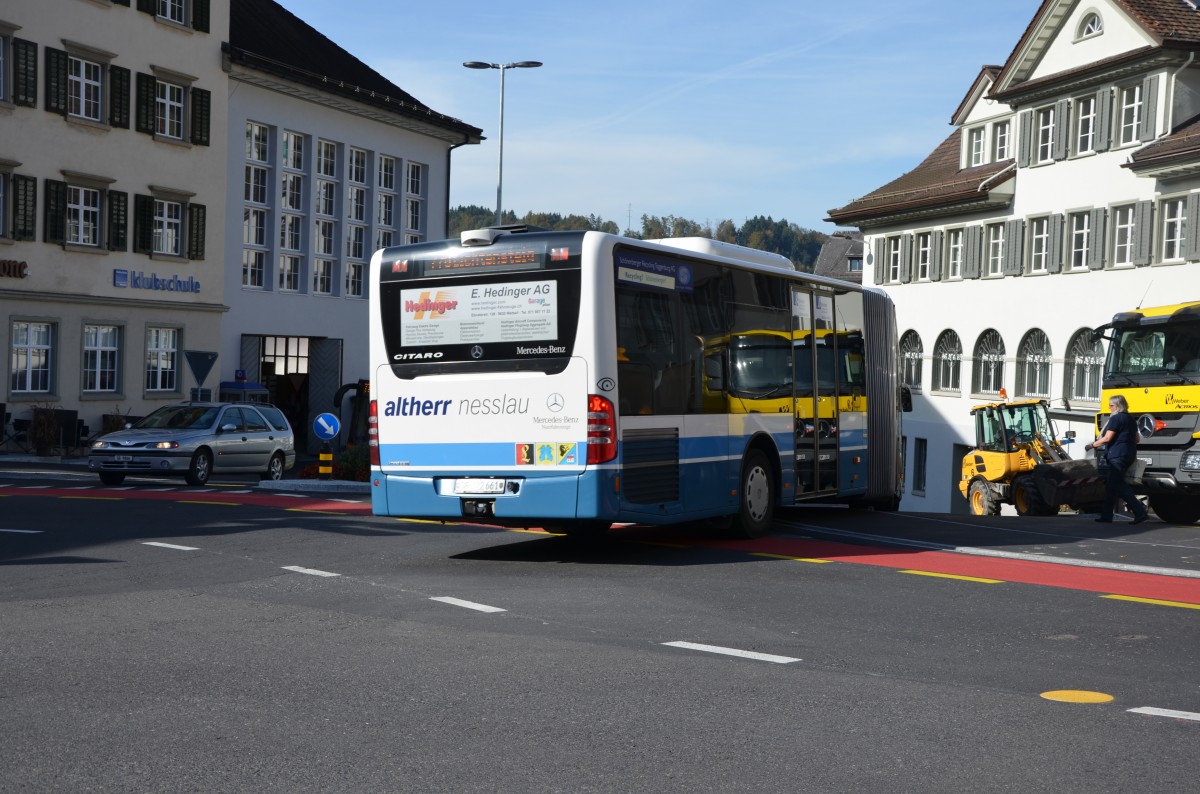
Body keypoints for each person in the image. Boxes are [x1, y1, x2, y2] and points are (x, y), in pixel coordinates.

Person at [1085, 394, 1149, 524]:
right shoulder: (1130, 419)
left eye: (1111, 405)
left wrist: (1092, 445)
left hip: (1117, 456)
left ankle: (1140, 512)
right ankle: (1107, 516)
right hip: (1129, 454)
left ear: (1118, 406)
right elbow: (1137, 439)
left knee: (1118, 484)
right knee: (1111, 485)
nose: (1109, 407)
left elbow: (1107, 438)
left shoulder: (1116, 419)